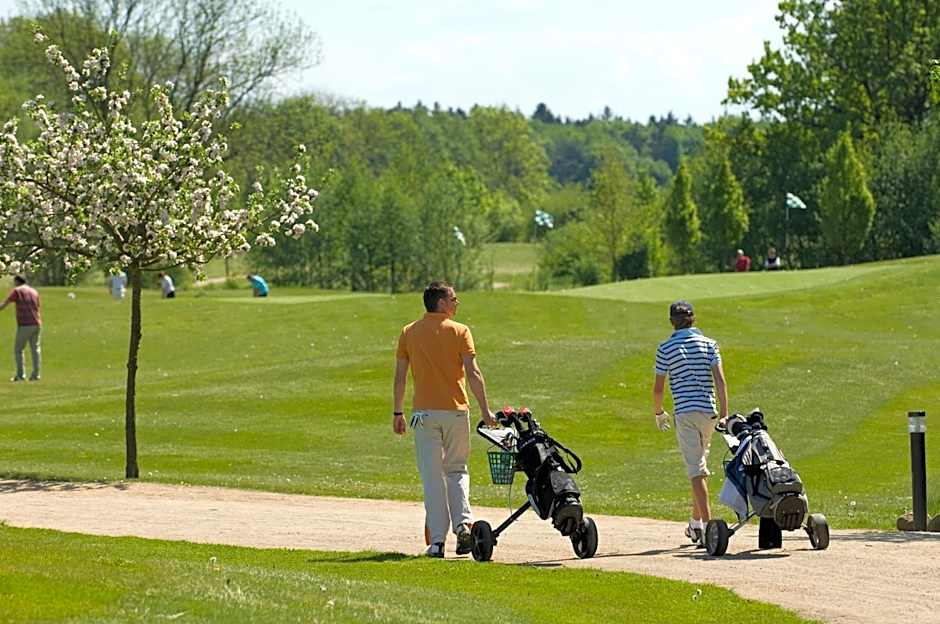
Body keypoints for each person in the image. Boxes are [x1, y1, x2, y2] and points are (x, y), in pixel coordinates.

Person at [393, 281, 496, 558]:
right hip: (455, 411)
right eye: (453, 298)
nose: (457, 302)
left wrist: (398, 412)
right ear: (441, 302)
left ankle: (437, 542)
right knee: (457, 470)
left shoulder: (409, 332)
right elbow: (473, 373)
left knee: (432, 478)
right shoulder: (461, 331)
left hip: (423, 414)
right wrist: (486, 411)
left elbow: (401, 376)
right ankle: (463, 525)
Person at [653, 300, 728, 546]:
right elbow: (720, 382)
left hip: (685, 413)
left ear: (671, 321)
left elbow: (658, 388)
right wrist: (724, 413)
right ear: (693, 318)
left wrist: (659, 412)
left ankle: (708, 528)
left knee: (696, 471)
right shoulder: (709, 344)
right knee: (699, 468)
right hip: (709, 413)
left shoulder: (666, 347)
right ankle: (695, 525)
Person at [0, 275, 42, 382]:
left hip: (25, 324)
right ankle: (36, 374)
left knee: (18, 349)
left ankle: (20, 375)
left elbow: (5, 304)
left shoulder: (17, 291)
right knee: (35, 349)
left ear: (18, 281)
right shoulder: (34, 291)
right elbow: (37, 306)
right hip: (36, 323)